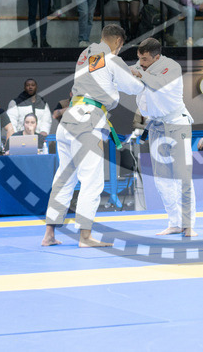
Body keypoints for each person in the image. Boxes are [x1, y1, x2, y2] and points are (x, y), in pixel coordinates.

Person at [42, 24, 145, 248]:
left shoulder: (85, 54)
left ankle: (49, 233)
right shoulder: (111, 58)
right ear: (118, 41)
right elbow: (134, 87)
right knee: (92, 180)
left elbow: (101, 78)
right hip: (88, 122)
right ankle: (85, 236)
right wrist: (138, 74)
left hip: (68, 120)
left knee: (63, 178)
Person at [128, 38, 196, 236]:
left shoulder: (171, 67)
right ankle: (174, 222)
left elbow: (158, 85)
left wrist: (139, 73)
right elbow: (128, 82)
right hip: (156, 126)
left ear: (157, 57)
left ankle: (189, 224)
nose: (141, 62)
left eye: (145, 59)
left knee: (183, 175)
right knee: (162, 179)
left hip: (177, 124)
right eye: (139, 58)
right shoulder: (141, 66)